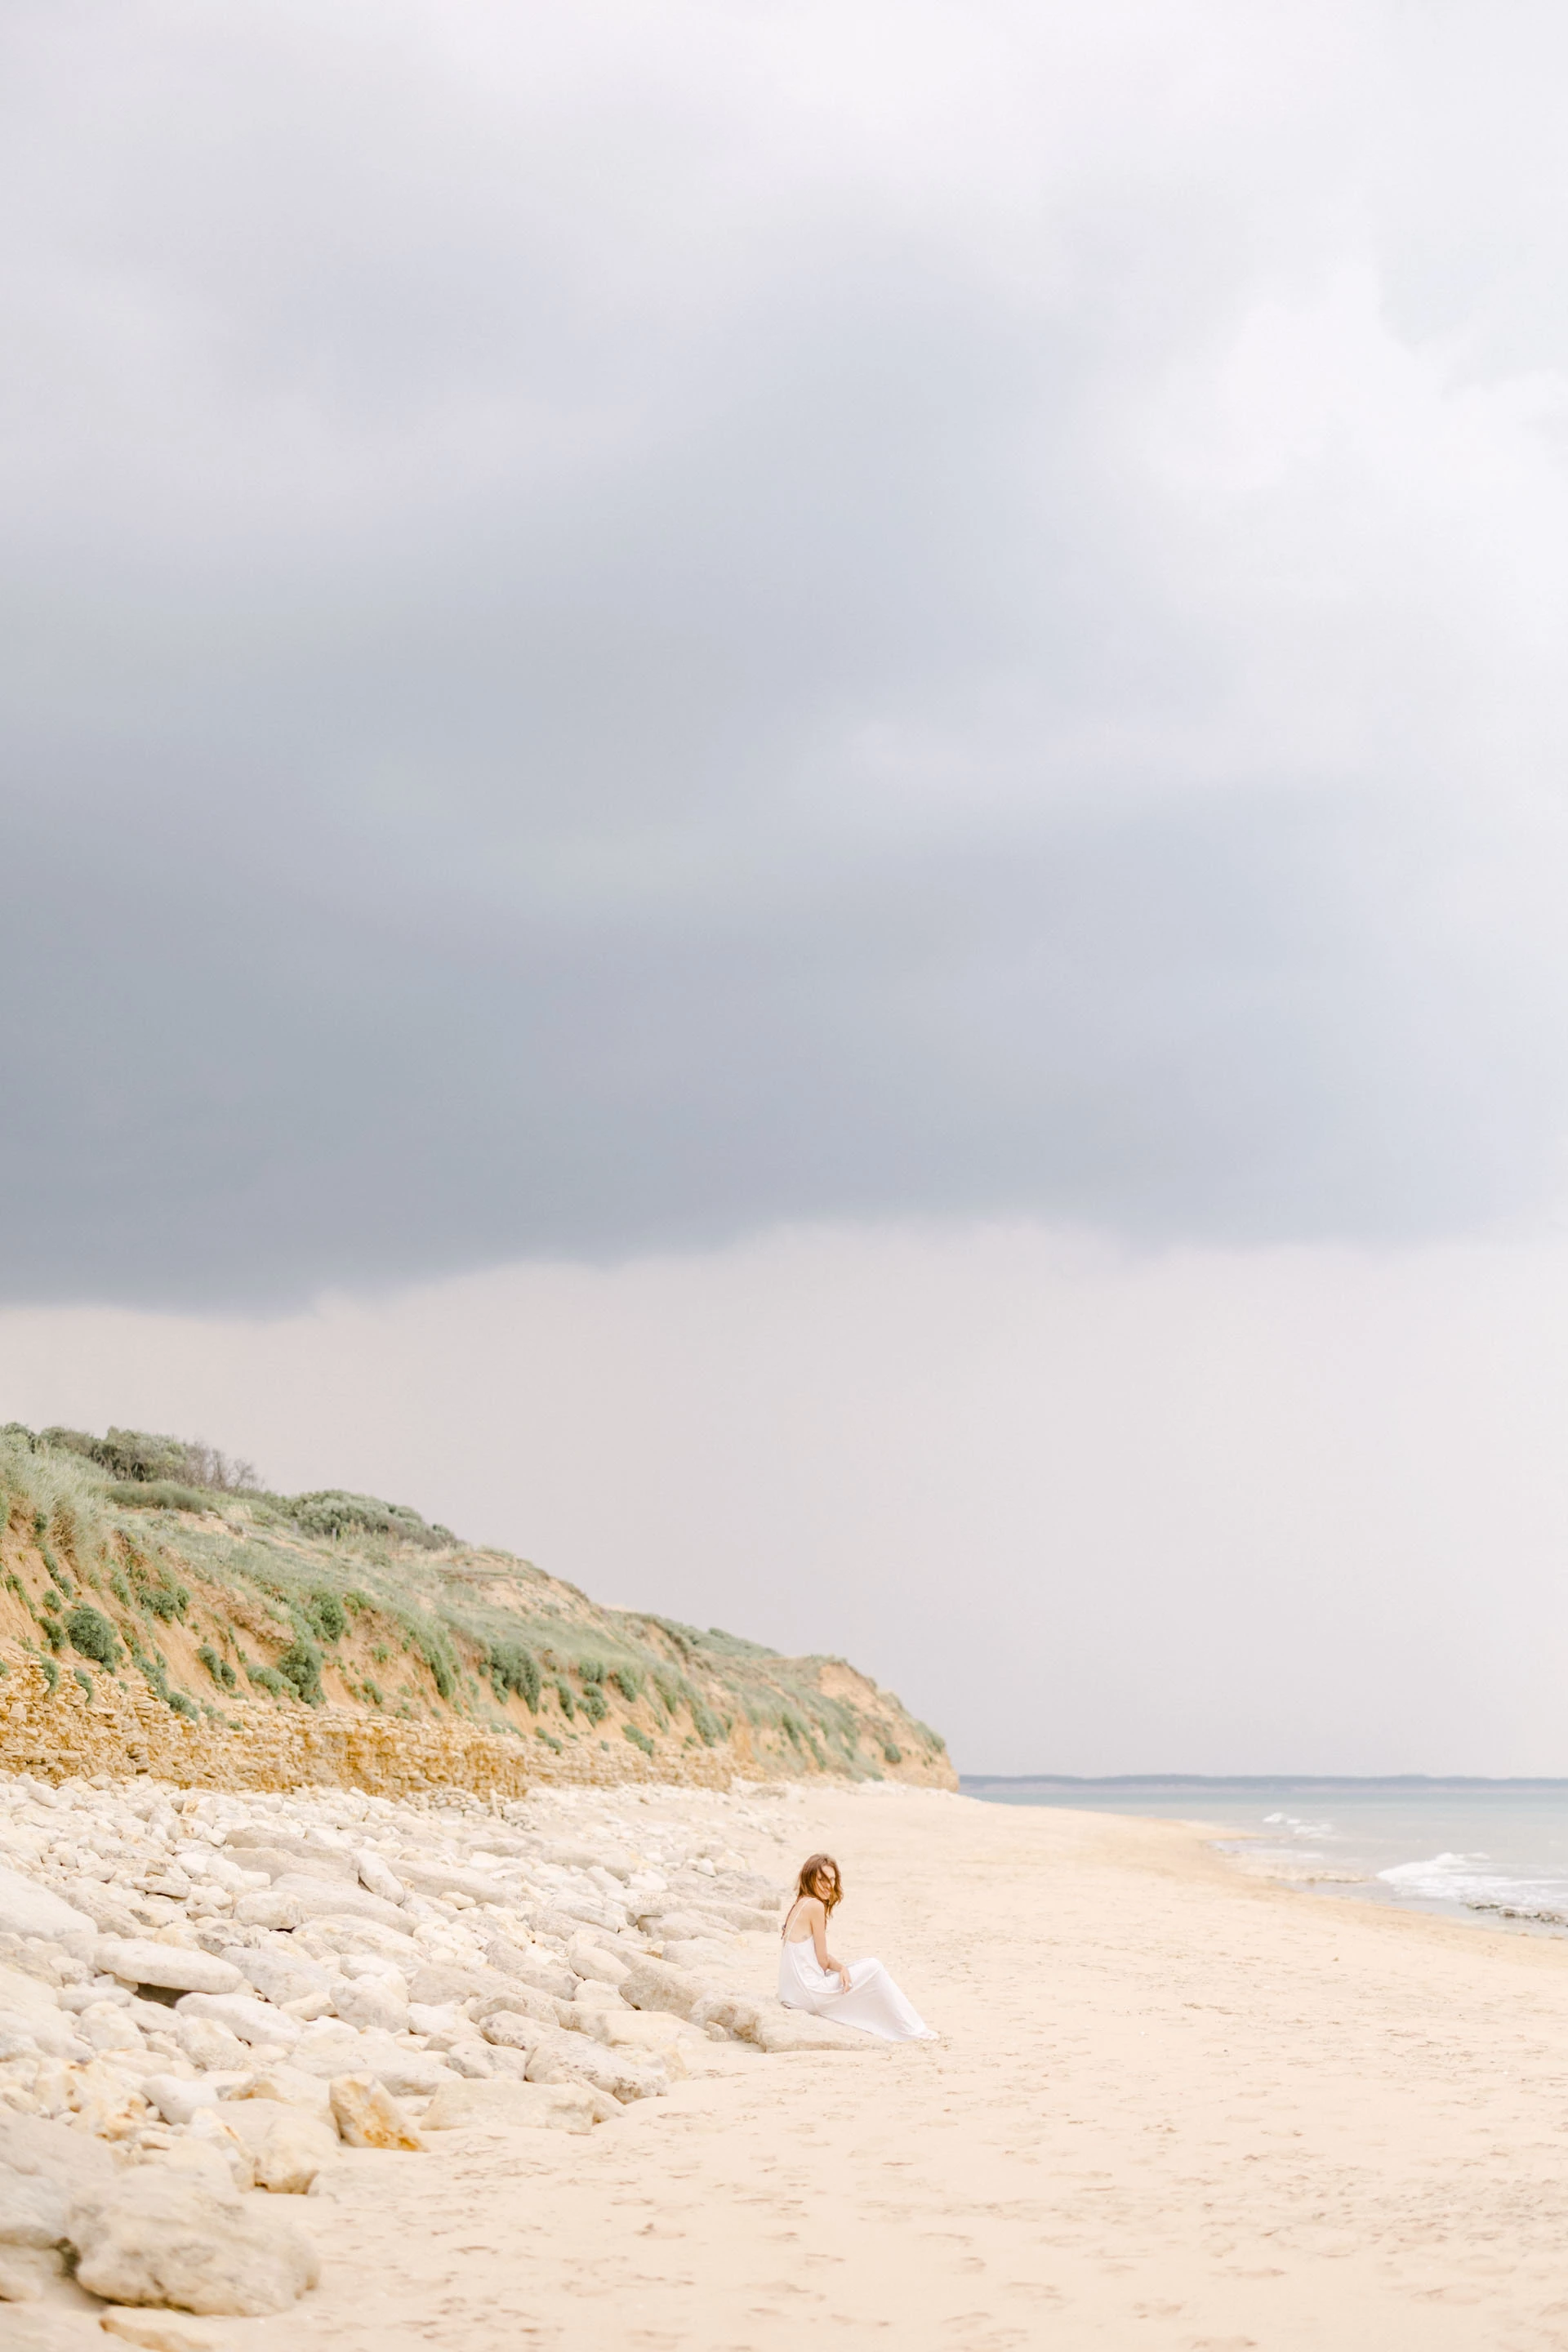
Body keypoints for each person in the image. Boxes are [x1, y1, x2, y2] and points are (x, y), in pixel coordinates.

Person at [777, 1851, 936, 2041]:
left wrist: (840, 1969)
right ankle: (914, 2030)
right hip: (808, 1994)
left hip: (791, 1994)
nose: (829, 1886)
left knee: (858, 1973)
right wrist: (841, 1968)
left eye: (833, 1879)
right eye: (822, 1879)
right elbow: (822, 1960)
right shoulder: (815, 1906)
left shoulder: (800, 1903)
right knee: (874, 1967)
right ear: (809, 1878)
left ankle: (903, 2026)